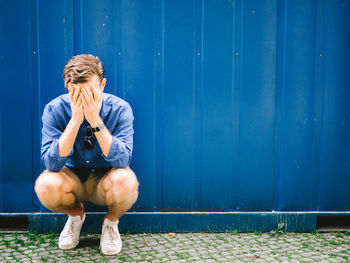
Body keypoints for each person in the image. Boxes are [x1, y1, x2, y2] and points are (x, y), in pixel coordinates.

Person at [34, 54, 139, 255]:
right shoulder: (55, 110)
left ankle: (111, 222)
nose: (85, 98)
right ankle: (75, 215)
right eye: (78, 92)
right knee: (45, 184)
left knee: (127, 181)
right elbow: (51, 164)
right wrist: (75, 121)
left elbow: (123, 160)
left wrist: (95, 121)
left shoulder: (120, 109)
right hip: (72, 180)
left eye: (91, 91)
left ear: (102, 85)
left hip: (105, 182)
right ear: (67, 86)